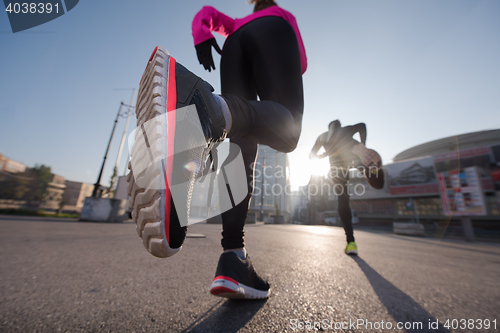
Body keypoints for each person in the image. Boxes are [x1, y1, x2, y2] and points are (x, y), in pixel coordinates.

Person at [127, 0, 306, 300]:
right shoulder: (282, 15)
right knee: (289, 132)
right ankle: (203, 108)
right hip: (275, 34)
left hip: (232, 44)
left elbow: (206, 14)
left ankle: (233, 258)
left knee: (241, 147)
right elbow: (299, 62)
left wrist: (202, 36)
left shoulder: (236, 24)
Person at [309, 120, 384, 255]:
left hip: (337, 166)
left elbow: (311, 155)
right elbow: (362, 126)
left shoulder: (323, 136)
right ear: (339, 126)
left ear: (329, 128)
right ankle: (372, 172)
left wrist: (324, 155)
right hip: (354, 156)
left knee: (343, 201)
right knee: (372, 175)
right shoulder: (345, 130)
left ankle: (351, 242)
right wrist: (363, 144)